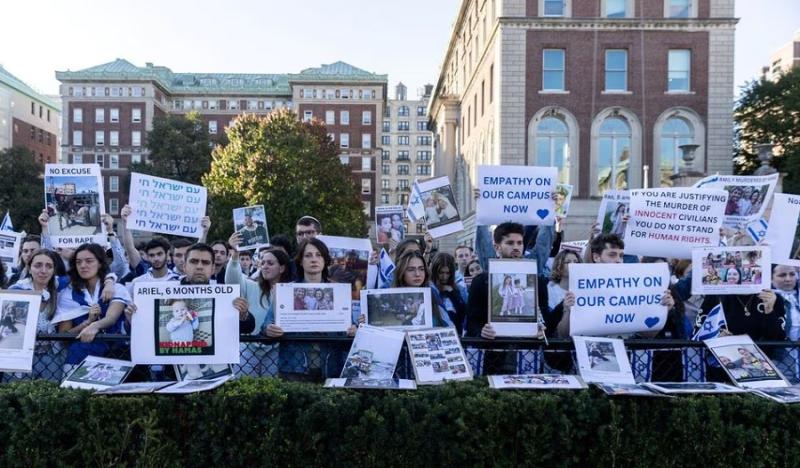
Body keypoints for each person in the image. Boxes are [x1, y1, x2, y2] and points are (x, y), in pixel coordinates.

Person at [556, 234, 675, 337]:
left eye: (621, 255)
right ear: (596, 257)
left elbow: (647, 335)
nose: (619, 260)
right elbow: (563, 334)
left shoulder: (635, 289)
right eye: (612, 255)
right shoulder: (580, 288)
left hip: (625, 354)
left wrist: (662, 309)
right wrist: (569, 309)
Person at [55, 243, 131, 371]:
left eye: (89, 261)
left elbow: (111, 318)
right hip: (78, 357)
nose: (83, 266)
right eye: (78, 262)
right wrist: (87, 323)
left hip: (114, 356)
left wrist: (95, 326)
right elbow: (64, 336)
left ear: (100, 263)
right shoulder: (68, 293)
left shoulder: (116, 288)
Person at [7, 249, 67, 379]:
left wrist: (109, 280)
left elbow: (84, 275)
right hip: (20, 359)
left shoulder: (59, 287)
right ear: (29, 268)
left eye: (49, 266)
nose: (43, 270)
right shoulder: (16, 291)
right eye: (38, 265)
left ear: (54, 270)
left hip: (51, 358)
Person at [392, 250, 455, 328]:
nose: (417, 274)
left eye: (421, 269)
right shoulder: (394, 296)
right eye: (411, 270)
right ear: (401, 272)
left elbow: (446, 323)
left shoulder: (432, 292)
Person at [429, 252, 468, 335]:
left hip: (456, 334)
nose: (444, 277)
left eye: (447, 273)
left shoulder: (459, 289)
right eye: (441, 273)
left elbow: (464, 313)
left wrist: (453, 293)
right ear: (435, 271)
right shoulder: (430, 289)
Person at [773, 265, 800, 341]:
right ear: (772, 279)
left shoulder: (796, 297)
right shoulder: (762, 299)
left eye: (792, 274)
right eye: (782, 275)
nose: (788, 279)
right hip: (778, 348)